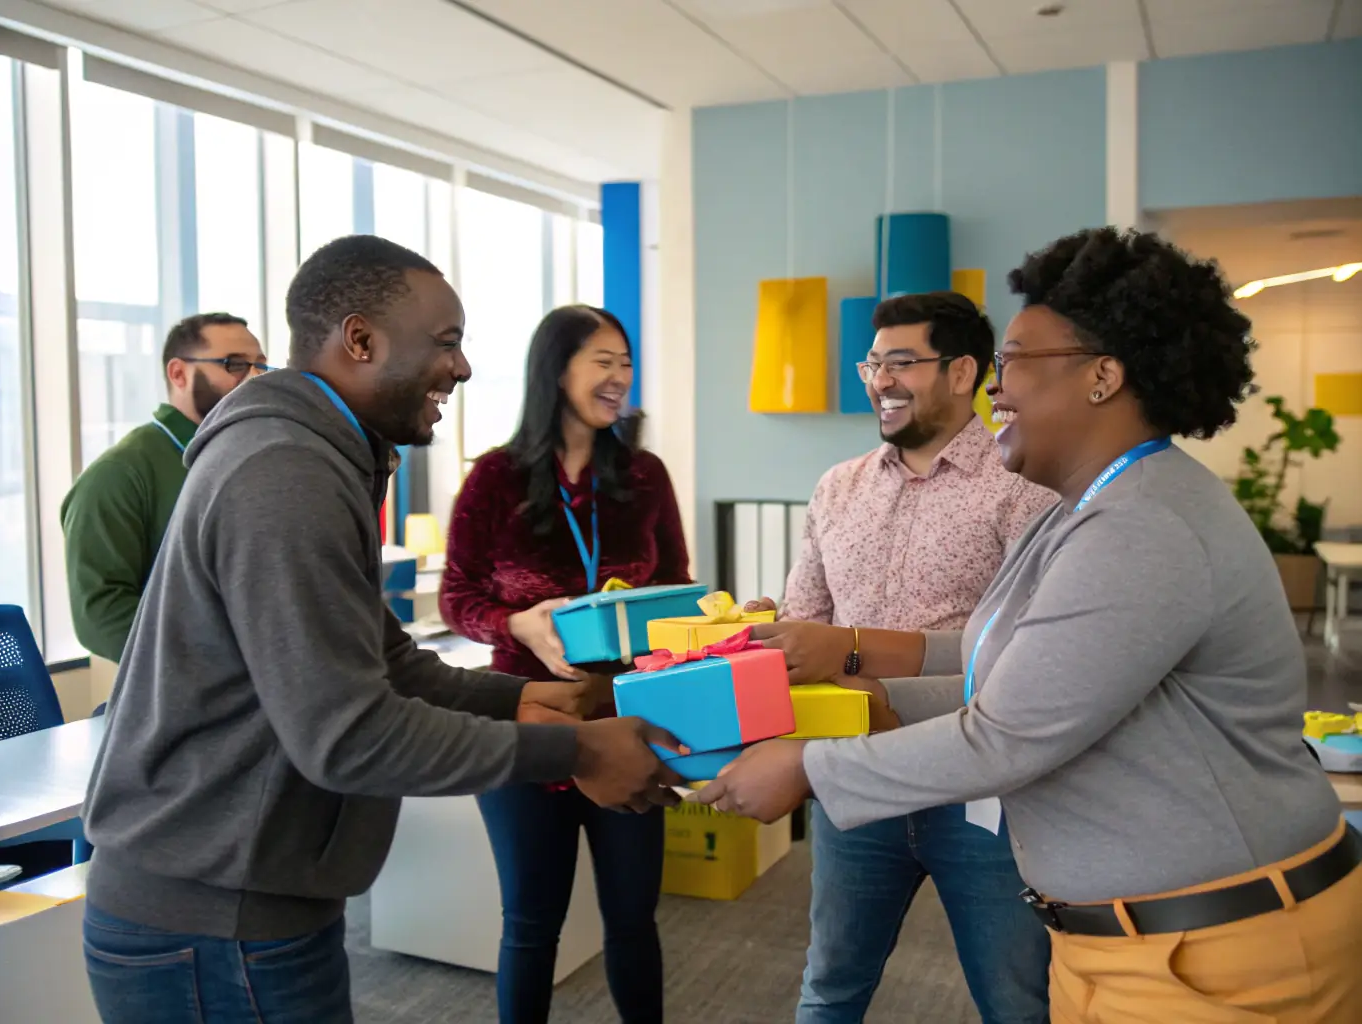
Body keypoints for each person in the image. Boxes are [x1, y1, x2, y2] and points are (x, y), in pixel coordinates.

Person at [699, 227, 1362, 1023]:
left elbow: (1007, 731)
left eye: (1012, 362)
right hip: (1128, 941)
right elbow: (1017, 658)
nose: (996, 388)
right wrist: (869, 684)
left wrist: (812, 765)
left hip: (1213, 952)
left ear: (1101, 377)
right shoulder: (1092, 507)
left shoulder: (1141, 524)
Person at [80, 237, 680, 1024]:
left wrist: (530, 700)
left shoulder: (318, 460)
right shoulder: (286, 474)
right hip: (215, 919)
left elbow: (388, 661)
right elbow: (347, 735)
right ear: (359, 340)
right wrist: (571, 749)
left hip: (249, 897)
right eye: (446, 343)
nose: (461, 369)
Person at [745, 291, 1055, 1024]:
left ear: (962, 372)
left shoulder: (1025, 488)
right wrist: (762, 634)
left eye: (901, 362)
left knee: (1016, 1000)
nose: (880, 380)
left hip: (981, 790)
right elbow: (807, 622)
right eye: (871, 363)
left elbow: (1027, 661)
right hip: (854, 779)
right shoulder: (837, 487)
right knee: (829, 987)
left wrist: (845, 657)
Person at [439, 304, 690, 1024]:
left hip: (626, 716)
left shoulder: (643, 476)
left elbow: (675, 584)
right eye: (602, 361)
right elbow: (457, 596)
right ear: (556, 370)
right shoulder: (494, 478)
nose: (620, 377)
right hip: (522, 720)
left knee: (633, 916)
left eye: (625, 362)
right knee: (529, 921)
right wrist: (514, 621)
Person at [60, 312, 266, 665]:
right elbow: (101, 614)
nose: (254, 378)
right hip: (193, 696)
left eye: (260, 366)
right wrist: (209, 668)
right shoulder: (119, 473)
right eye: (234, 364)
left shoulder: (250, 455)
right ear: (178, 373)